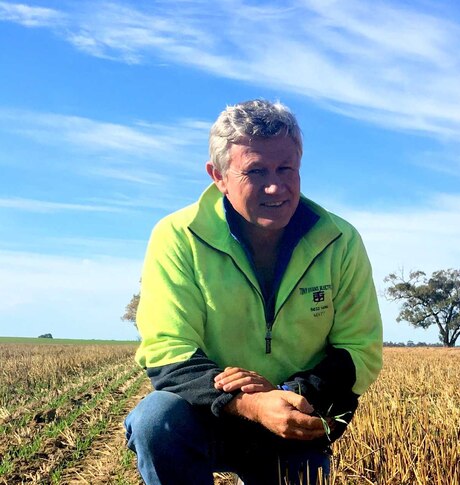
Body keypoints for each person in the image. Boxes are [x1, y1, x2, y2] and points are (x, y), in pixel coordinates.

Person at [124, 99, 383, 485]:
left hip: (298, 413)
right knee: (156, 420)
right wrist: (250, 403)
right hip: (208, 411)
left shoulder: (340, 241)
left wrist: (285, 394)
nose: (275, 186)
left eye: (286, 169)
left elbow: (360, 350)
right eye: (256, 171)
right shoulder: (178, 236)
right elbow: (167, 349)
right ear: (219, 176)